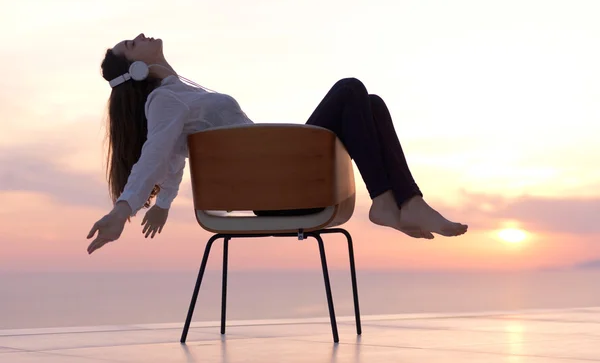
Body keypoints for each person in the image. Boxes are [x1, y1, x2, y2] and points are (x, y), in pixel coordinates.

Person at [87, 33, 468, 254]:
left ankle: (406, 202)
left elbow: (169, 157)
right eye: (131, 45)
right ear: (136, 69)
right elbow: (156, 152)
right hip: (279, 194)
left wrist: (165, 204)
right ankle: (386, 201)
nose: (139, 37)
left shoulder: (175, 95)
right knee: (350, 90)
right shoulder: (165, 101)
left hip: (282, 186)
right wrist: (124, 210)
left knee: (369, 104)